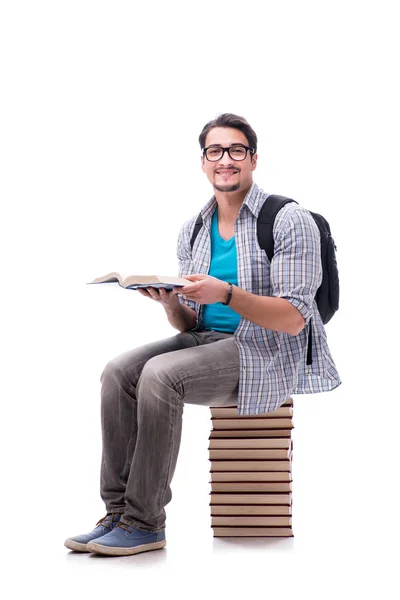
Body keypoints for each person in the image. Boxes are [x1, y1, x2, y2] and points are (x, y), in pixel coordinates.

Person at [64, 113, 341, 556]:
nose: (225, 160)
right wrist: (172, 303)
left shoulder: (288, 219)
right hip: (209, 343)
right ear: (203, 161)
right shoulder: (194, 228)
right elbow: (193, 325)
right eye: (215, 151)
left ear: (253, 159)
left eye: (236, 151)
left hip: (266, 351)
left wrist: (226, 293)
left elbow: (294, 319)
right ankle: (116, 514)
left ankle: (145, 522)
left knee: (160, 376)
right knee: (118, 371)